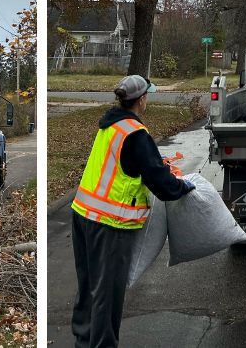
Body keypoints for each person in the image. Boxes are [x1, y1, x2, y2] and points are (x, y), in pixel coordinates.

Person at [70, 74, 194, 348]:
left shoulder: (110, 125)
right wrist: (183, 187)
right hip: (109, 222)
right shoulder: (135, 133)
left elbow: (126, 165)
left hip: (83, 213)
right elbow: (161, 184)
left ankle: (84, 340)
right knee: (107, 293)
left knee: (89, 288)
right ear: (142, 99)